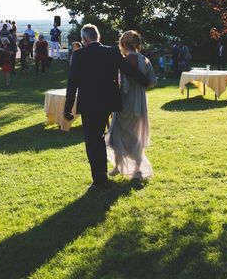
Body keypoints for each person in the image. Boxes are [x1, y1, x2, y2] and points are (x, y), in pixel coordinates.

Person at [64, 24, 150, 190]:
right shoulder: (111, 51)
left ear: (84, 39)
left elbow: (72, 83)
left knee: (92, 140)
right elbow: (128, 69)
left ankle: (99, 180)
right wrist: (144, 81)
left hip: (88, 104)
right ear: (98, 37)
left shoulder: (79, 55)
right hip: (108, 103)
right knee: (100, 137)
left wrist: (68, 108)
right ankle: (102, 177)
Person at [106, 31, 157, 180]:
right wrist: (140, 89)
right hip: (140, 100)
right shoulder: (145, 60)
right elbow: (152, 81)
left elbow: (124, 85)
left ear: (123, 44)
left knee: (117, 133)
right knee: (134, 135)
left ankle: (118, 166)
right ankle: (136, 168)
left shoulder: (125, 60)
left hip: (126, 100)